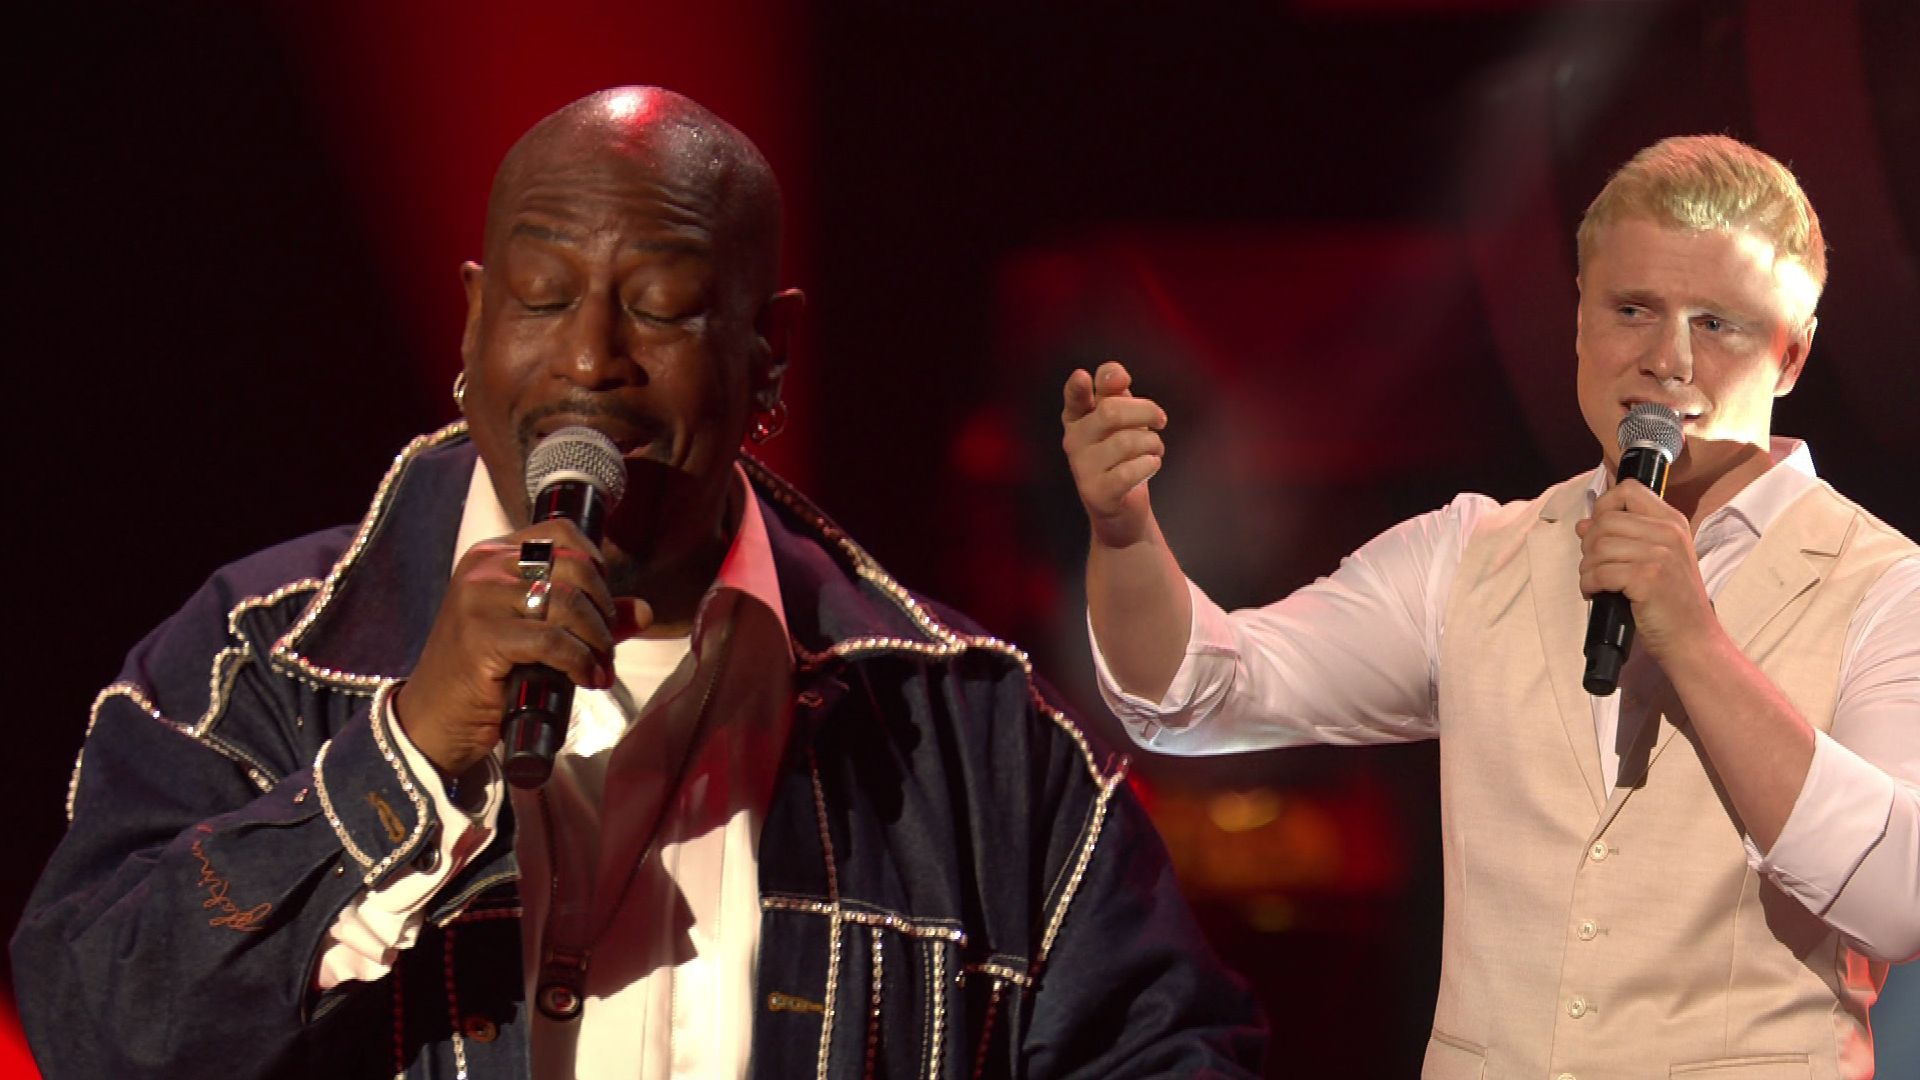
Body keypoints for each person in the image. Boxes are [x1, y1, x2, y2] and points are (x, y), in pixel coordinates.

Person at [12, 87, 1263, 1080]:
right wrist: (407, 754)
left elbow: (1168, 1051)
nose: (590, 358)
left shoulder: (972, 737)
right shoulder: (256, 663)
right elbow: (91, 1029)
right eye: (542, 297)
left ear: (769, 354)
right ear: (473, 324)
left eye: (661, 307)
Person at [1062, 134, 1920, 1079]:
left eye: (1717, 324)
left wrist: (1696, 641)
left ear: (1792, 353)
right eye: (1633, 309)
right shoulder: (1471, 556)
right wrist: (1125, 538)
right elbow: (1198, 691)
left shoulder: (1883, 585)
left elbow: (1899, 900)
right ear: (1580, 322)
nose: (1667, 359)